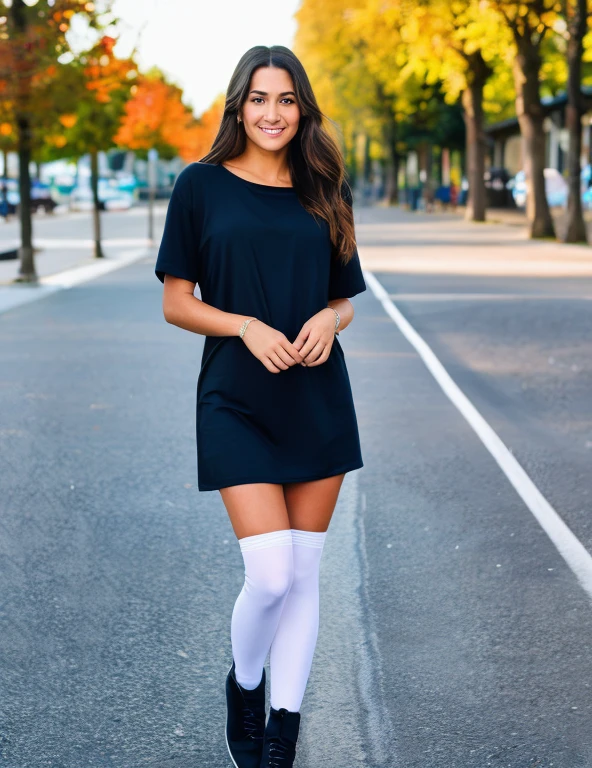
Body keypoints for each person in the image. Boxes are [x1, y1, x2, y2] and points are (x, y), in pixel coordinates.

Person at [154, 45, 366, 768]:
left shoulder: (326, 187)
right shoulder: (201, 187)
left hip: (317, 397)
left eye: (285, 99)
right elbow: (176, 302)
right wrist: (242, 324)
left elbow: (343, 298)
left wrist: (329, 321)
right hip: (235, 398)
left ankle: (283, 731)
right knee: (271, 573)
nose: (272, 113)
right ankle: (245, 687)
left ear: (302, 108)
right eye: (258, 98)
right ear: (238, 106)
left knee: (304, 576)